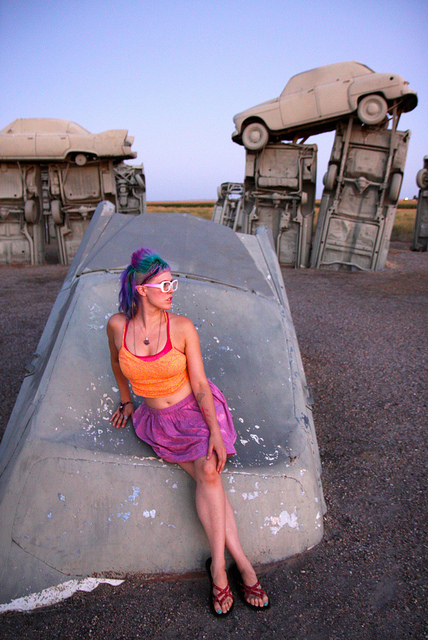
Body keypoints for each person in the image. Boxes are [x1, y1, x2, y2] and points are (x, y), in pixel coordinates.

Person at [107, 247, 270, 616]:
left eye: (172, 283)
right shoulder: (118, 326)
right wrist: (126, 400)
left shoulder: (181, 327)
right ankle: (242, 564)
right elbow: (116, 364)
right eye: (164, 284)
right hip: (159, 422)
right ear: (141, 290)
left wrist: (214, 431)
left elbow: (198, 384)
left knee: (209, 469)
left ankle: (221, 568)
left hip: (195, 413)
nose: (171, 290)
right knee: (208, 478)